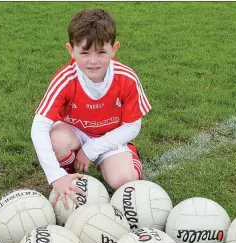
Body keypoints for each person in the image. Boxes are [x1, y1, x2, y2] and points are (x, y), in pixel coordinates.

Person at [30, 8, 151, 211]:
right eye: (84, 52)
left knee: (123, 181)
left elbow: (132, 126)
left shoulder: (126, 78)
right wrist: (55, 176)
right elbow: (39, 125)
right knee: (55, 139)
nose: (93, 61)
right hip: (75, 131)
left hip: (109, 135)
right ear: (71, 50)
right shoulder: (65, 79)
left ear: (114, 49)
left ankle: (128, 156)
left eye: (101, 52)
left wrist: (91, 149)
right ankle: (68, 176)